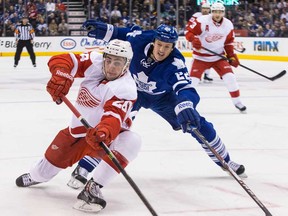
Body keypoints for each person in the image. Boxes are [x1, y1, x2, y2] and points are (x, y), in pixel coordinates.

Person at [66, 22, 247, 192]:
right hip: (132, 91)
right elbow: (123, 34)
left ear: (173, 47)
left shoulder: (175, 63)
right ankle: (85, 167)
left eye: (167, 47)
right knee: (114, 125)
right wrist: (107, 30)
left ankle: (226, 161)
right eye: (160, 44)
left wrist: (185, 104)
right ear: (154, 41)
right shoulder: (140, 39)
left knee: (197, 124)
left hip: (163, 98)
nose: (162, 50)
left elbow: (186, 88)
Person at [15, 39, 142, 213]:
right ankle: (36, 176)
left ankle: (93, 187)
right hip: (75, 134)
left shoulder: (125, 88)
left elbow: (113, 116)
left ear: (126, 65)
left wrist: (104, 132)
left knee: (132, 141)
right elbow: (62, 59)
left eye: (118, 62)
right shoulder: (96, 60)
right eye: (109, 60)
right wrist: (61, 76)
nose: (111, 66)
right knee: (42, 173)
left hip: (103, 138)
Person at [185, 2, 247, 112]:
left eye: (220, 12)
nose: (217, 14)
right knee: (192, 82)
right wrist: (193, 39)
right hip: (200, 58)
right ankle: (186, 105)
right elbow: (188, 32)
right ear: (211, 12)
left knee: (230, 78)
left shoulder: (228, 25)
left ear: (223, 12)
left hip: (218, 58)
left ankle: (238, 102)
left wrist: (231, 56)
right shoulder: (202, 21)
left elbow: (228, 43)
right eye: (215, 12)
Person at [189, 1, 213, 82]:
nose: (205, 10)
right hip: (198, 39)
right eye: (204, 8)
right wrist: (193, 38)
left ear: (209, 9)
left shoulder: (212, 17)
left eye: (207, 8)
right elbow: (190, 26)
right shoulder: (196, 16)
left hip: (208, 40)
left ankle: (206, 75)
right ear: (201, 9)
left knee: (209, 57)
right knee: (197, 57)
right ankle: (195, 75)